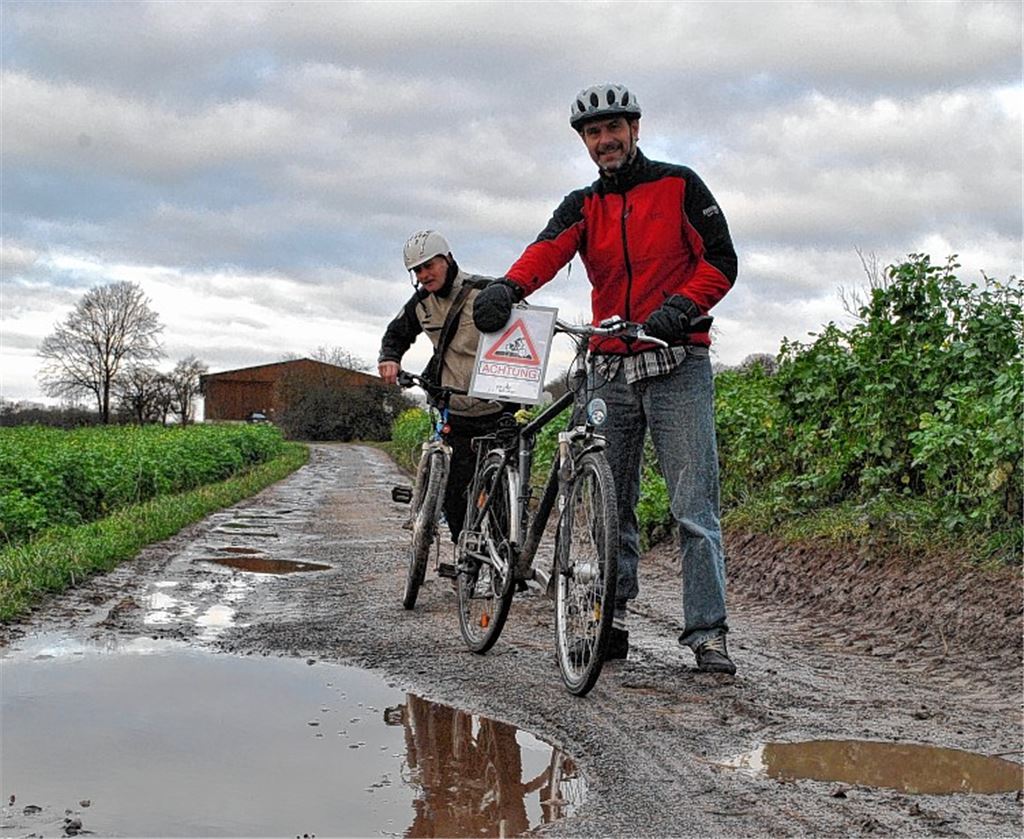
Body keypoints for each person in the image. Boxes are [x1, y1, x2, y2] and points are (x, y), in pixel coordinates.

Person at [473, 83, 738, 674]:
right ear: (585, 143)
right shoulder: (582, 205)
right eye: (593, 133)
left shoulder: (679, 185)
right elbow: (545, 251)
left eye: (614, 128)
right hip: (610, 369)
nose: (605, 140)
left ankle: (707, 634)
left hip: (675, 363)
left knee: (694, 507)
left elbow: (722, 260)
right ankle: (609, 619)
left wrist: (680, 308)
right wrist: (507, 289)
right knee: (607, 505)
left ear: (635, 129)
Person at [379, 229, 504, 546]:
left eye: (429, 266)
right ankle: (466, 553)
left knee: (503, 489)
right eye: (417, 271)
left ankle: (505, 554)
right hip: (456, 407)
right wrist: (390, 358)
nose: (424, 275)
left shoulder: (487, 292)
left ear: (447, 259)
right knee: (455, 490)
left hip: (500, 407)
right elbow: (396, 333)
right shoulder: (421, 305)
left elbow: (527, 330)